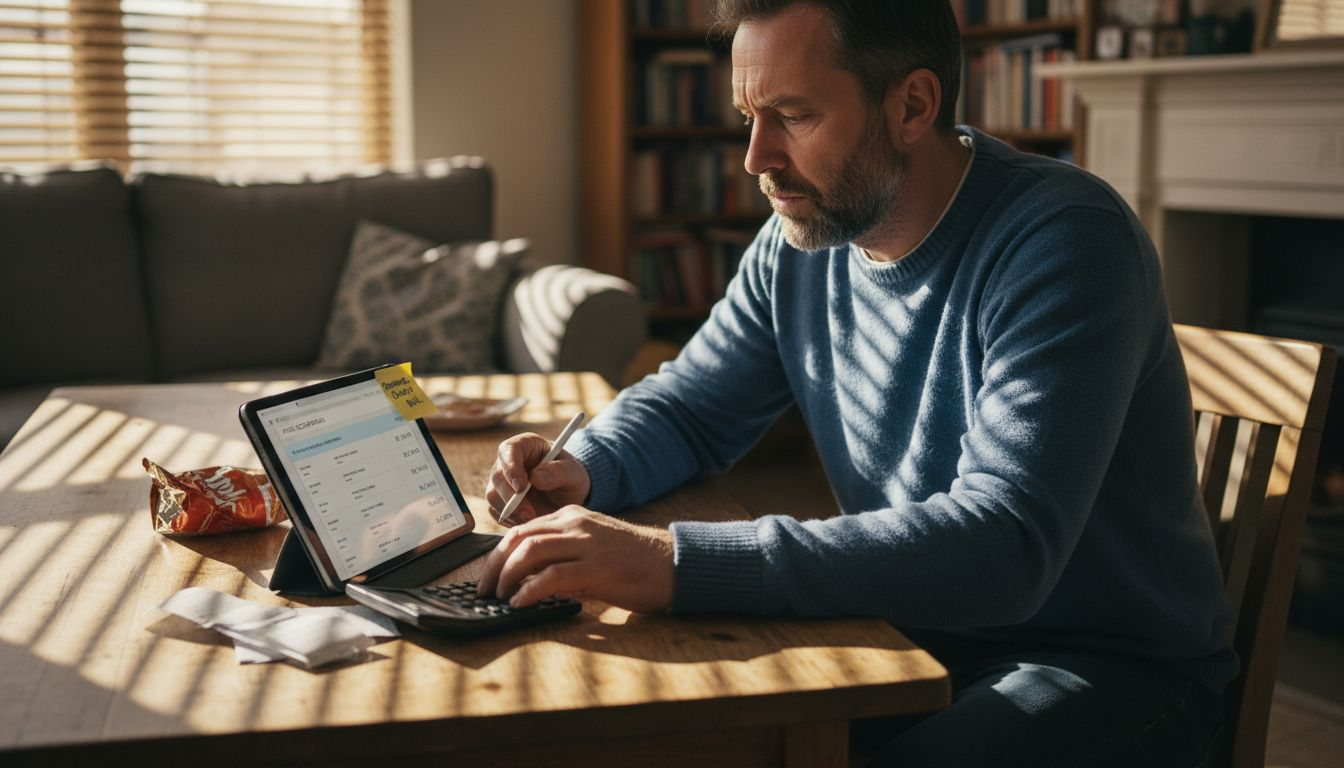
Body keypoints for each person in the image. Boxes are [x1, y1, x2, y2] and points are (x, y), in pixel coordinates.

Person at [476, 1, 1234, 764]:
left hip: (1107, 668)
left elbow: (1005, 547)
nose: (756, 158)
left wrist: (675, 562)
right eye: (749, 117)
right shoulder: (801, 240)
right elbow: (691, 409)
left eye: (793, 116)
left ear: (912, 105)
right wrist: (586, 465)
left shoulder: (1065, 241)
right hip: (912, 627)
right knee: (680, 734)